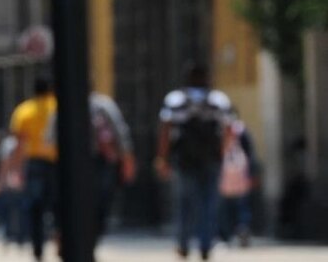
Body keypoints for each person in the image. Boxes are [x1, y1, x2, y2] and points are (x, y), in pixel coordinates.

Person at [155, 61, 232, 261]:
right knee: (209, 204)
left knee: (184, 204)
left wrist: (162, 158)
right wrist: (223, 153)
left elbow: (165, 129)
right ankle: (206, 244)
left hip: (184, 161)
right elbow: (228, 129)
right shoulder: (217, 100)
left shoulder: (175, 100)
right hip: (211, 160)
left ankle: (183, 244)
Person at [8, 75, 59, 261]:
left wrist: (15, 170)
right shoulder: (58, 107)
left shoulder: (24, 111)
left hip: (35, 164)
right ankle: (61, 240)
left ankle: (38, 250)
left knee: (35, 208)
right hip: (58, 165)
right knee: (59, 205)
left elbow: (19, 145)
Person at [90, 91, 137, 244]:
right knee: (101, 199)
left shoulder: (102, 105)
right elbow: (120, 132)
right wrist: (127, 158)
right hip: (100, 161)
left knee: (98, 199)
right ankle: (93, 235)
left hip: (97, 160)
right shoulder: (103, 104)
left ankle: (91, 236)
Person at [217, 115, 257, 248]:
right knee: (241, 206)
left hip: (224, 174)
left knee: (224, 207)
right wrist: (252, 172)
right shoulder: (241, 130)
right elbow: (250, 152)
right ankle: (242, 227)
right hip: (240, 173)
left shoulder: (219, 129)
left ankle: (226, 235)